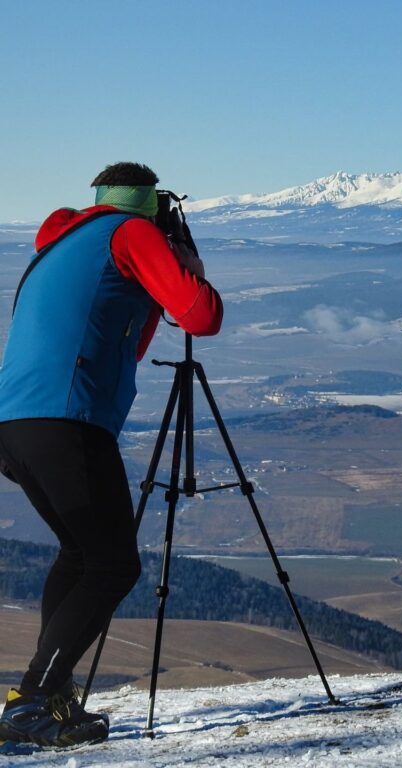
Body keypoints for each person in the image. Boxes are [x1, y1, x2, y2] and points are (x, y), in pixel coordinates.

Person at [0, 162, 223, 748]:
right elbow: (202, 316)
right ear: (149, 204)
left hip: (16, 423)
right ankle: (31, 704)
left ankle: (49, 695)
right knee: (112, 565)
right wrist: (188, 271)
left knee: (80, 555)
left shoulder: (66, 241)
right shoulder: (131, 232)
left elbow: (129, 335)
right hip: (63, 418)